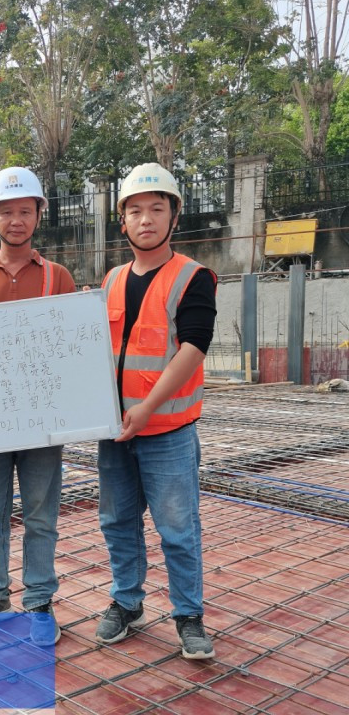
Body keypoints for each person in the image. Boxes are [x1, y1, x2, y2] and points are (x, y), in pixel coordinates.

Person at [95, 162, 217, 659]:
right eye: (135, 211)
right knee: (117, 522)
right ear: (122, 220)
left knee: (177, 529)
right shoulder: (111, 280)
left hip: (166, 430)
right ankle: (127, 602)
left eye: (156, 209)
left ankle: (189, 615)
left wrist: (146, 408)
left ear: (174, 216)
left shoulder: (192, 277)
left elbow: (194, 347)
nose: (145, 219)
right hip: (115, 430)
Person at [0, 166, 76, 646]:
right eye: (6, 212)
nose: (16, 220)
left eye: (26, 210)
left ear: (39, 215)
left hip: (42, 420)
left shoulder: (58, 277)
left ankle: (40, 601)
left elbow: (70, 349)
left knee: (41, 515)